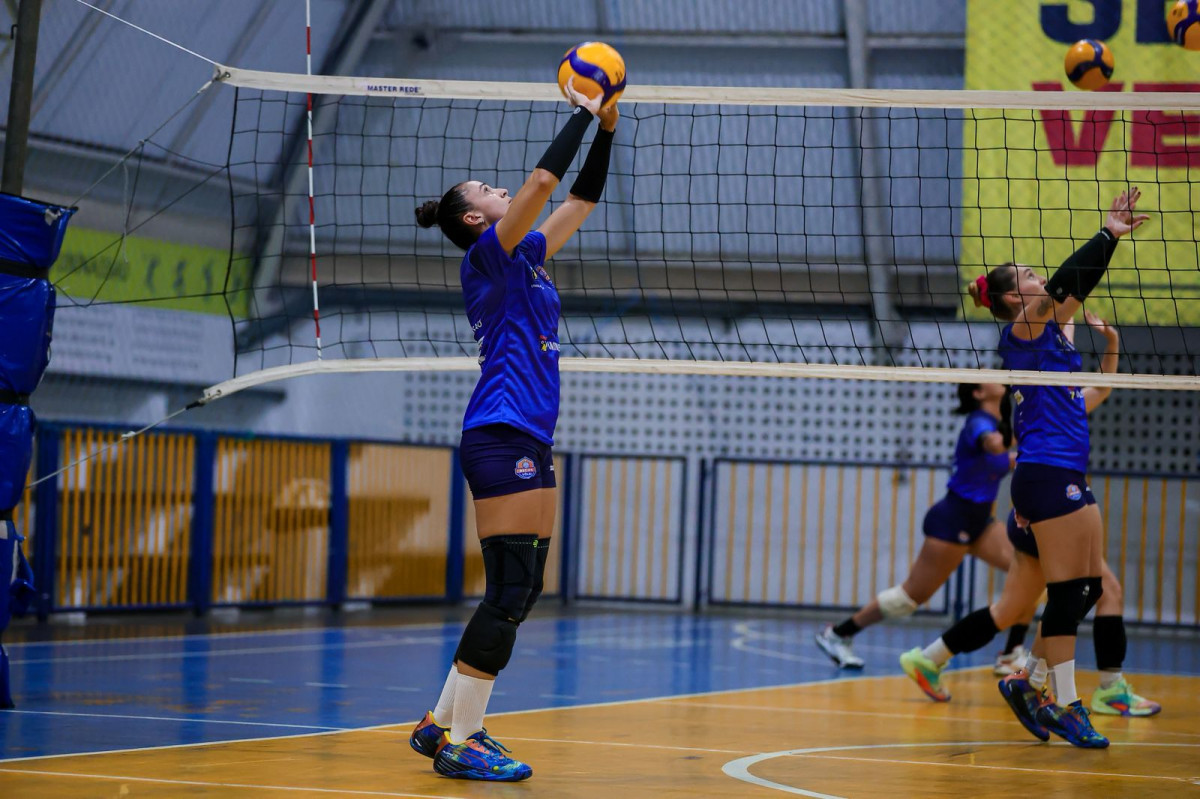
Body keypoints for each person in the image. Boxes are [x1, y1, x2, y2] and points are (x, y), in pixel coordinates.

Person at [407, 80, 618, 782]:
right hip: (500, 430)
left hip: (526, 434)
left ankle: (441, 721)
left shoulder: (527, 255)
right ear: (474, 219)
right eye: (489, 191)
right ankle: (464, 738)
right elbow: (541, 179)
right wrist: (582, 112)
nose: (507, 192)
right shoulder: (488, 257)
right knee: (511, 587)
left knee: (521, 589)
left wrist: (609, 130)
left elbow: (578, 199)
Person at [899, 193, 1150, 753]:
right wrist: (1108, 234)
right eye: (1031, 276)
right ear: (1017, 297)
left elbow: (1087, 394)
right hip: (1045, 473)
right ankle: (1063, 700)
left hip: (1060, 472)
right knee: (1070, 593)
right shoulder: (1025, 332)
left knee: (1084, 591)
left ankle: (1029, 680)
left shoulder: (1050, 346)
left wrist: (1110, 348)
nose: (1042, 280)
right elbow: (1068, 284)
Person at [816, 383, 1020, 671]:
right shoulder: (980, 423)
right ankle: (838, 633)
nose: (998, 378)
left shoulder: (1000, 423)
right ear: (978, 393)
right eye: (988, 377)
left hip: (981, 523)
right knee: (909, 598)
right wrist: (1030, 429)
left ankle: (1012, 653)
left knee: (1028, 573)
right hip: (953, 520)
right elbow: (993, 445)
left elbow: (1002, 458)